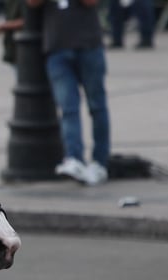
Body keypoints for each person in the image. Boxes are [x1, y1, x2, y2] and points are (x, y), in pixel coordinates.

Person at [27, 0, 110, 186]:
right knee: (68, 108)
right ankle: (74, 158)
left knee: (97, 106)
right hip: (56, 48)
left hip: (89, 45)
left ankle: (100, 162)